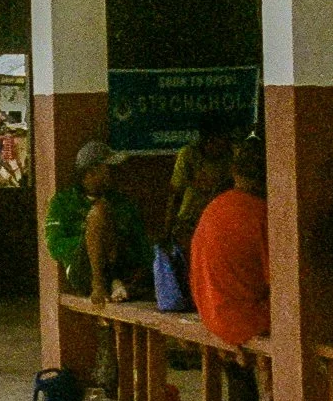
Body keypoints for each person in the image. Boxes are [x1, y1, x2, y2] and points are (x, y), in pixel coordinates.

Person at [189, 140, 271, 401]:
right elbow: (280, 283)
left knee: (238, 378)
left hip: (211, 311)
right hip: (243, 318)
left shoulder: (213, 207)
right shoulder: (260, 214)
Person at [43, 140, 153, 305]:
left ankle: (117, 283)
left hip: (120, 265)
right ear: (91, 173)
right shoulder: (63, 202)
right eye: (108, 168)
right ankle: (100, 283)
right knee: (99, 212)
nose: (113, 173)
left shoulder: (123, 203)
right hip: (83, 271)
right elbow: (55, 245)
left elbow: (141, 245)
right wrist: (93, 242)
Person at [169, 113, 239, 247]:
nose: (228, 142)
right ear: (210, 139)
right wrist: (168, 230)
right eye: (225, 138)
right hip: (189, 223)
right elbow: (175, 194)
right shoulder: (189, 155)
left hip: (218, 224)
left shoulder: (230, 157)